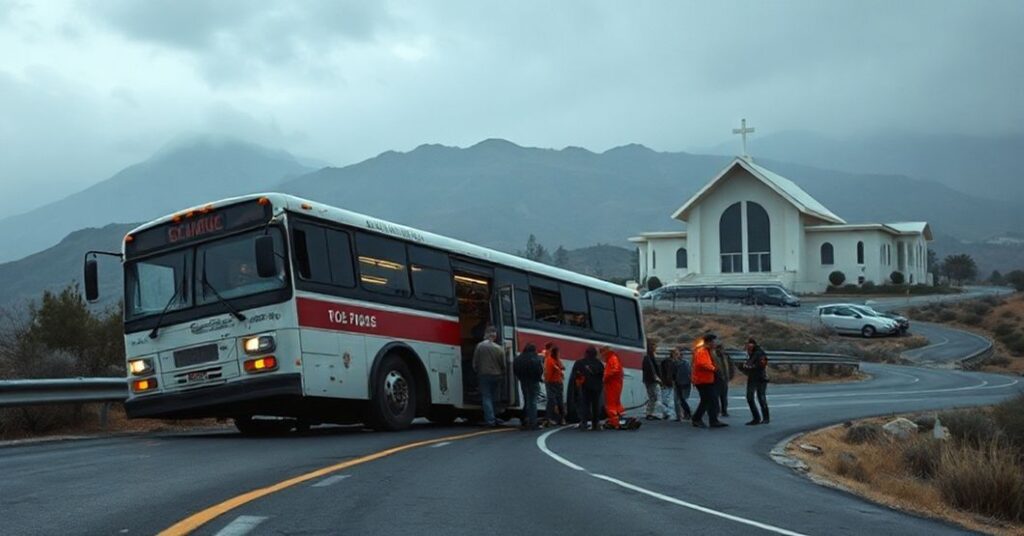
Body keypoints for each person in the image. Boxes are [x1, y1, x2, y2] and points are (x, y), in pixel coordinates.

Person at [472, 326, 506, 427]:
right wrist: (502, 372)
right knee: (495, 397)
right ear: (494, 336)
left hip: (483, 375)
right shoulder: (499, 348)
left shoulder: (479, 346)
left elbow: (475, 362)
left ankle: (490, 420)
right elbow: (503, 364)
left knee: (486, 397)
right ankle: (495, 417)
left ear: (486, 334)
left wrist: (477, 371)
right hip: (497, 375)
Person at [692, 333, 727, 428]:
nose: (716, 343)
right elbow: (702, 364)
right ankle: (699, 419)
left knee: (708, 400)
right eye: (714, 341)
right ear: (709, 342)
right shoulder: (702, 351)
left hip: (707, 380)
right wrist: (714, 369)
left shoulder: (709, 351)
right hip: (703, 381)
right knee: (710, 400)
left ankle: (711, 420)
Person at [513, 343, 544, 430]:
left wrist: (520, 378)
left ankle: (525, 420)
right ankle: (533, 423)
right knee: (533, 402)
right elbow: (539, 371)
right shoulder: (535, 359)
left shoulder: (519, 358)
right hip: (533, 382)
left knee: (527, 400)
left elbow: (515, 370)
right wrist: (539, 379)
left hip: (523, 381)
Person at [741, 337, 771, 425]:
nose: (747, 347)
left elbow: (762, 365)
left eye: (749, 344)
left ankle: (765, 418)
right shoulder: (750, 354)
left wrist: (752, 366)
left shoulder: (760, 353)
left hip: (761, 378)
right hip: (752, 377)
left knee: (761, 397)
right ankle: (756, 418)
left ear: (753, 344)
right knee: (750, 397)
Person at [575, 346, 604, 431]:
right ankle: (596, 423)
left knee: (585, 404)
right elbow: (602, 374)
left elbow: (576, 374)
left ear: (586, 353)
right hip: (597, 388)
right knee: (595, 405)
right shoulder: (599, 363)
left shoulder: (580, 362)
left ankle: (584, 422)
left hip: (585, 386)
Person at [601, 346, 625, 429]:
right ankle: (619, 419)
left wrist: (604, 377)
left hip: (612, 384)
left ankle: (614, 422)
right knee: (616, 403)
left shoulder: (612, 359)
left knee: (611, 404)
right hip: (616, 383)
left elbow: (614, 370)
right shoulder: (613, 358)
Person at [543, 345, 566, 426]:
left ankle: (550, 419)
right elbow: (561, 367)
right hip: (556, 382)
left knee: (552, 400)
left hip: (551, 382)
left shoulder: (550, 360)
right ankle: (560, 418)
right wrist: (560, 370)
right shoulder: (554, 360)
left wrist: (546, 380)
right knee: (558, 400)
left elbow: (550, 371)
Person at [712, 340, 735, 417]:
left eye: (721, 348)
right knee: (716, 396)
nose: (720, 350)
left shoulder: (726, 357)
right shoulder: (713, 357)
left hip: (725, 379)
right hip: (716, 379)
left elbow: (731, 366)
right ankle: (717, 410)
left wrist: (730, 376)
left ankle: (724, 411)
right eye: (718, 348)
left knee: (724, 396)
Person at [642, 338, 663, 420]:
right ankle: (655, 413)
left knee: (652, 397)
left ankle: (649, 413)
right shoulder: (649, 357)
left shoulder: (648, 357)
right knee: (656, 397)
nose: (655, 347)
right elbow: (652, 369)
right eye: (654, 345)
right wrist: (657, 378)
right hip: (652, 380)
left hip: (649, 380)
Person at [672, 349, 693, 421]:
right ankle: (684, 415)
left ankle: (683, 415)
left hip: (681, 384)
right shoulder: (685, 363)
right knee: (682, 400)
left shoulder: (677, 363)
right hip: (683, 383)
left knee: (680, 400)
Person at [658, 347, 677, 421]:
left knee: (666, 398)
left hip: (667, 382)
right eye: (676, 354)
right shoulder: (669, 362)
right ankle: (667, 412)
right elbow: (669, 373)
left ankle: (666, 413)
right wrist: (670, 382)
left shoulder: (669, 361)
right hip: (667, 382)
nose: (677, 356)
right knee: (666, 398)